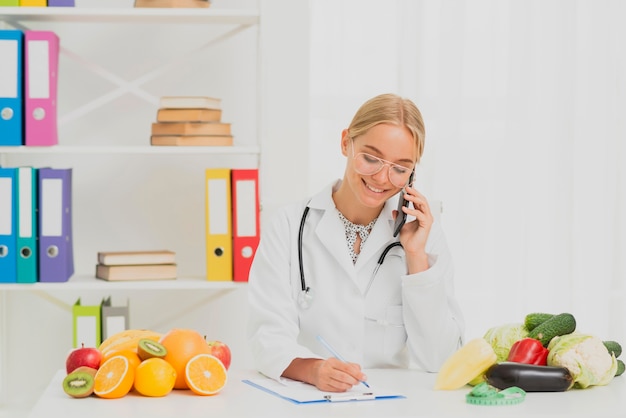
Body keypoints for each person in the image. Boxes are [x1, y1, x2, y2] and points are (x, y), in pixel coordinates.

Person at [247, 93, 465, 392]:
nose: (382, 178)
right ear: (346, 143)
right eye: (371, 158)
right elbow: (266, 337)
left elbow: (440, 358)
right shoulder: (289, 225)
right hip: (310, 400)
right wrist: (314, 370)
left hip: (393, 404)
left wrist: (415, 256)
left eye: (400, 168)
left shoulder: (423, 235)